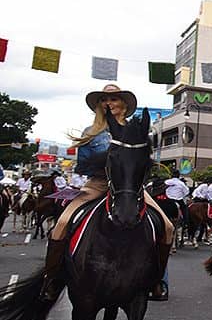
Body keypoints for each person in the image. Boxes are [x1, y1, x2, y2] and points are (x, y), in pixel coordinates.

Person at [40, 84, 174, 301]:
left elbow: (144, 161)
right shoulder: (90, 132)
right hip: (98, 184)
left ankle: (157, 280)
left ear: (124, 104)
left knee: (166, 226)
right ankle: (52, 279)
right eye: (104, 100)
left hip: (130, 188)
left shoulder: (137, 130)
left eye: (113, 99)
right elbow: (82, 164)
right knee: (62, 224)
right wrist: (108, 160)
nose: (109, 103)